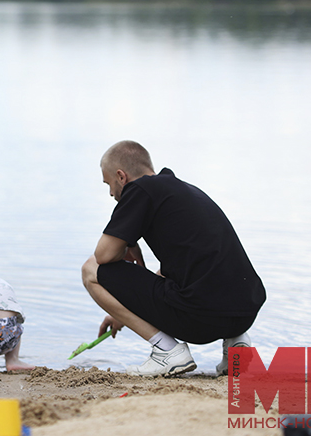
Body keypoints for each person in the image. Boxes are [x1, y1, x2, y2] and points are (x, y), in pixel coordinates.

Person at [81, 140, 266, 377]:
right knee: (212, 275)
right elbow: (184, 270)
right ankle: (236, 347)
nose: (110, 193)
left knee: (91, 269)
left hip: (203, 320)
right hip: (245, 313)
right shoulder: (184, 191)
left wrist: (127, 241)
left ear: (121, 176)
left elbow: (103, 255)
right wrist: (123, 310)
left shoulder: (139, 190)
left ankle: (167, 352)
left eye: (108, 184)